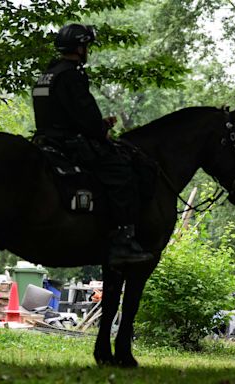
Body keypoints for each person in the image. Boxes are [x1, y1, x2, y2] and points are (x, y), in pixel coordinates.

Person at [32, 24, 152, 267]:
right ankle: (123, 239)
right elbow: (84, 116)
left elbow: (61, 110)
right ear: (80, 47)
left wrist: (97, 123)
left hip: (45, 139)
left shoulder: (48, 74)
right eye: (86, 46)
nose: (87, 50)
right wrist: (101, 129)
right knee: (121, 170)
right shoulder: (71, 74)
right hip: (68, 143)